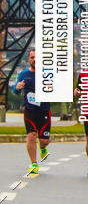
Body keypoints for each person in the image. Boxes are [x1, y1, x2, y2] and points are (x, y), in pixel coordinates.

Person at [13, 48, 50, 176]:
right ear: (29, 59)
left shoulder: (48, 73)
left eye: (37, 57)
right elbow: (15, 89)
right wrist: (17, 88)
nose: (34, 60)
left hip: (44, 111)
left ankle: (43, 148)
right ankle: (34, 164)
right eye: (32, 57)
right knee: (31, 136)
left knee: (44, 141)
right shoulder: (24, 74)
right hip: (30, 110)